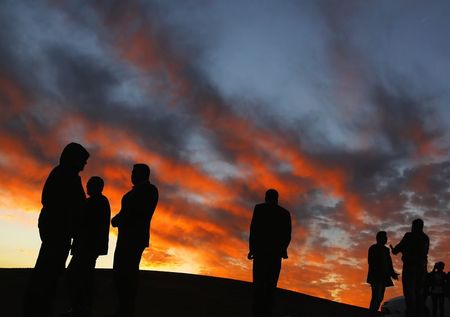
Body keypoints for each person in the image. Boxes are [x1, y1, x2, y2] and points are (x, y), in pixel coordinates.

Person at [23, 142, 90, 317]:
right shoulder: (64, 174)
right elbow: (53, 201)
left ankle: (40, 305)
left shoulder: (66, 174)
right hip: (58, 230)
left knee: (51, 269)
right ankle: (38, 306)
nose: (84, 165)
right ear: (74, 158)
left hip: (60, 230)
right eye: (83, 160)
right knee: (48, 270)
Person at [108, 164, 158, 317]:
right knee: (120, 272)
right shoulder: (137, 191)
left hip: (134, 238)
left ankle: (126, 309)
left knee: (126, 273)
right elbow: (128, 210)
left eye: (134, 173)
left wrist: (118, 219)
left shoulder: (149, 190)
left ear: (142, 174)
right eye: (132, 173)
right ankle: (123, 308)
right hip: (126, 238)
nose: (132, 175)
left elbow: (135, 211)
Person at [64, 176, 111, 317]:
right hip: (86, 246)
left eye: (90, 185)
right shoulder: (96, 201)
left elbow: (87, 223)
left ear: (97, 187)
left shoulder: (98, 202)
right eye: (87, 184)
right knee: (81, 276)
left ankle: (81, 307)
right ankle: (80, 307)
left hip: (88, 247)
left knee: (79, 275)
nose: (87, 187)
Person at [248, 189, 292, 317]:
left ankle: (257, 312)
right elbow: (287, 235)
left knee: (259, 284)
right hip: (275, 255)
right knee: (271, 285)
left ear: (266, 197)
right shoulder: (285, 213)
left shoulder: (259, 209)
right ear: (277, 198)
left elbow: (254, 230)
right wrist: (283, 249)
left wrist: (252, 249)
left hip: (261, 253)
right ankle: (267, 311)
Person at [391, 218, 430, 317]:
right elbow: (426, 253)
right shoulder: (425, 238)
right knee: (419, 293)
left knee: (409, 293)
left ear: (414, 226)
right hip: (422, 268)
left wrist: (393, 249)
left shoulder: (409, 236)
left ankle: (411, 313)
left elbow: (396, 250)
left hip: (410, 268)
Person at [366, 231, 399, 316]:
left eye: (386, 237)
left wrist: (392, 274)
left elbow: (389, 263)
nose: (386, 239)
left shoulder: (386, 250)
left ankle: (373, 312)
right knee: (376, 296)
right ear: (380, 238)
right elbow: (371, 262)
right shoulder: (373, 248)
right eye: (384, 237)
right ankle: (372, 313)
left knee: (380, 297)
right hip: (376, 277)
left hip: (384, 277)